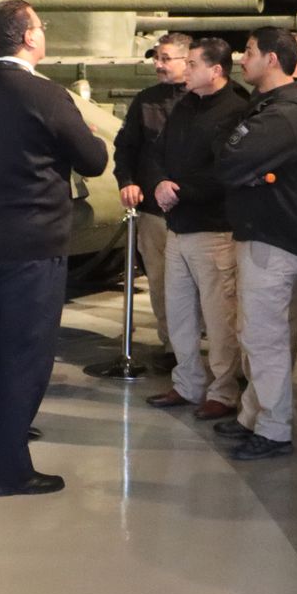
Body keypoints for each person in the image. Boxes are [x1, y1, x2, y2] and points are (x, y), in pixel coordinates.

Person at [0, 0, 109, 495]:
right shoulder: (47, 95)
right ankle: (9, 469)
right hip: (34, 242)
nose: (43, 32)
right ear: (28, 38)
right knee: (26, 355)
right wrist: (93, 137)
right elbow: (93, 161)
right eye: (40, 25)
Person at [213, 27, 297, 460]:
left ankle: (274, 430)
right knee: (254, 333)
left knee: (265, 338)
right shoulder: (270, 109)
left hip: (273, 236)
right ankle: (252, 415)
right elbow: (232, 161)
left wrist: (247, 173)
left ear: (273, 59)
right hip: (263, 232)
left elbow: (227, 162)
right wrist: (250, 174)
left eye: (250, 51)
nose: (242, 58)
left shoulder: (282, 117)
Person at [149, 38, 252, 418]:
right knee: (179, 313)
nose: (186, 70)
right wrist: (160, 182)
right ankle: (187, 383)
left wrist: (180, 191)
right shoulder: (185, 105)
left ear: (216, 70)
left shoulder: (235, 110)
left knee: (219, 317)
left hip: (213, 229)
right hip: (179, 226)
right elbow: (158, 151)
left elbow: (226, 169)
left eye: (193, 64)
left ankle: (223, 391)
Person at [113, 34, 191, 358]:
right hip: (154, 212)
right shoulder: (145, 101)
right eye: (156, 58)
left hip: (199, 211)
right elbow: (126, 147)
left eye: (165, 58)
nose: (158, 64)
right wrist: (127, 181)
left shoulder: (206, 100)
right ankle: (172, 347)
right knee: (160, 281)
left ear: (188, 60)